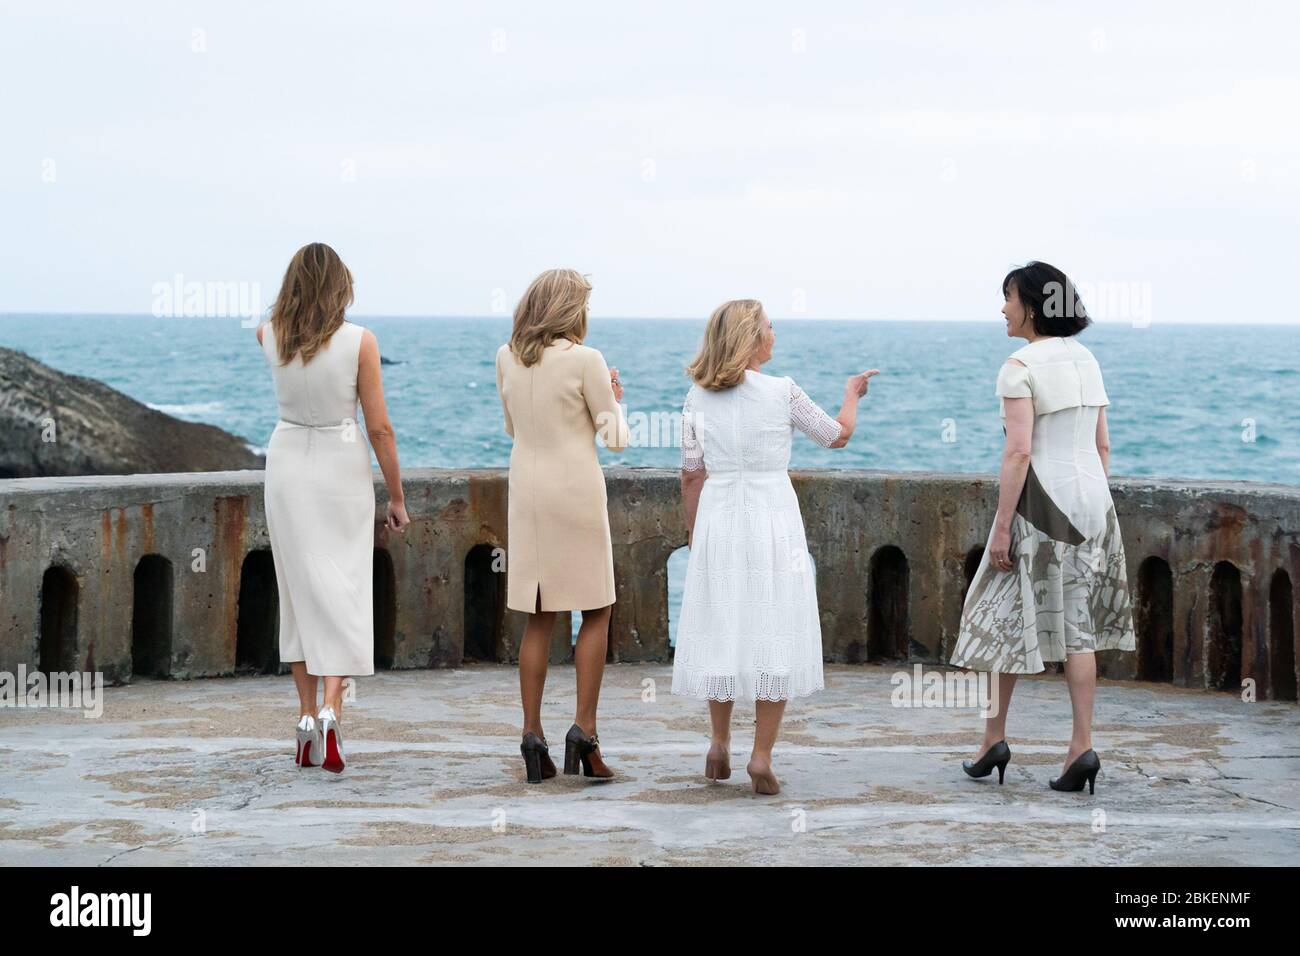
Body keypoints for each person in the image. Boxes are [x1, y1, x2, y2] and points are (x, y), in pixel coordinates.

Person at [672, 298, 877, 794]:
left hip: (719, 519)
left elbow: (690, 476)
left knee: (723, 626)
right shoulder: (782, 392)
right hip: (772, 521)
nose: (775, 332)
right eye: (769, 326)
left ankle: (719, 742)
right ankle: (761, 756)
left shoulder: (697, 397)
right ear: (752, 337)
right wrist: (852, 394)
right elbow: (836, 437)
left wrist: (696, 537)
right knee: (773, 630)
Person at [951, 260, 1136, 794]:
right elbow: (1101, 445)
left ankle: (994, 739)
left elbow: (1019, 451)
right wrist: (1090, 506)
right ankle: (1079, 745)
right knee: (1076, 627)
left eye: (1007, 297)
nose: (1002, 308)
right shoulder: (1087, 359)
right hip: (1093, 503)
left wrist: (1003, 527)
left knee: (995, 613)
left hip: (1041, 505)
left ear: (1030, 304)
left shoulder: (1019, 364)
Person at [257, 242, 409, 774]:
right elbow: (380, 426)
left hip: (286, 465)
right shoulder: (360, 342)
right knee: (342, 591)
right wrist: (396, 494)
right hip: (342, 467)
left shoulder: (267, 334)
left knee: (297, 594)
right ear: (341, 284)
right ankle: (331, 709)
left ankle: (303, 717)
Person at [494, 268, 629, 784]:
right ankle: (584, 733)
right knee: (597, 608)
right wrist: (615, 395)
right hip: (573, 489)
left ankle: (532, 736)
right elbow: (614, 437)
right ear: (572, 309)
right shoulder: (586, 360)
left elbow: (511, 426)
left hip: (525, 490)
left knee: (539, 615)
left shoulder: (507, 356)